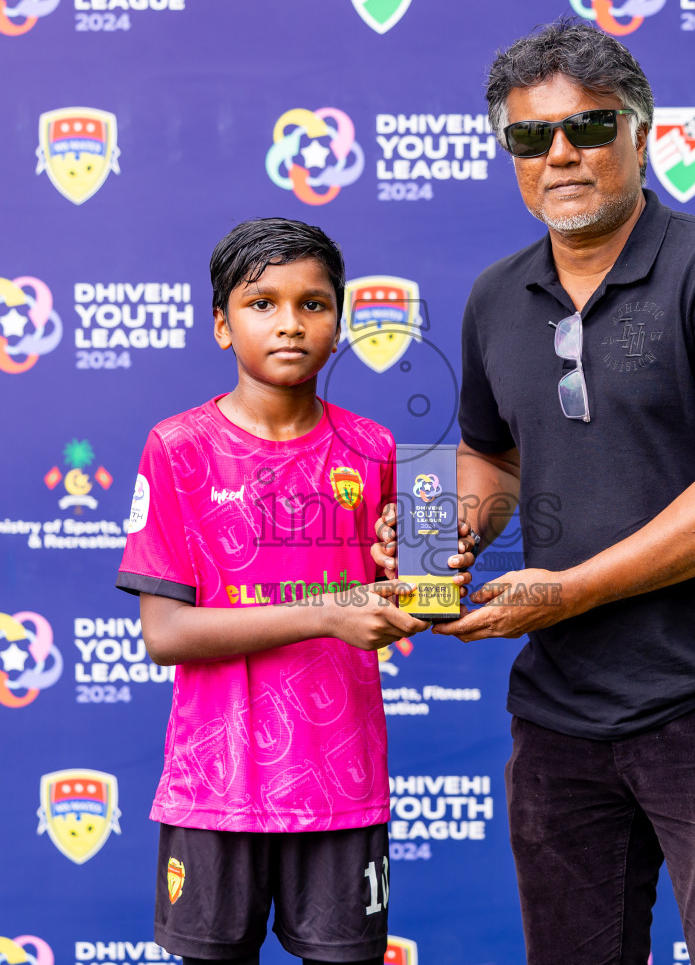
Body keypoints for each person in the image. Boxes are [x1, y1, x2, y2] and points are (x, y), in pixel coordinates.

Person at [373, 20, 695, 965]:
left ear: (641, 133)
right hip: (560, 711)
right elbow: (493, 460)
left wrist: (570, 590)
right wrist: (432, 540)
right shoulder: (496, 295)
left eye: (589, 128)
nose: (560, 155)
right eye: (531, 137)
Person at [115, 218, 470, 965]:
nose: (289, 323)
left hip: (342, 787)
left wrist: (433, 568)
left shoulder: (378, 447)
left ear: (339, 325)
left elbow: (422, 600)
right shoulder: (178, 447)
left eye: (313, 305)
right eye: (262, 303)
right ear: (221, 324)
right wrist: (328, 612)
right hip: (215, 791)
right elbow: (166, 636)